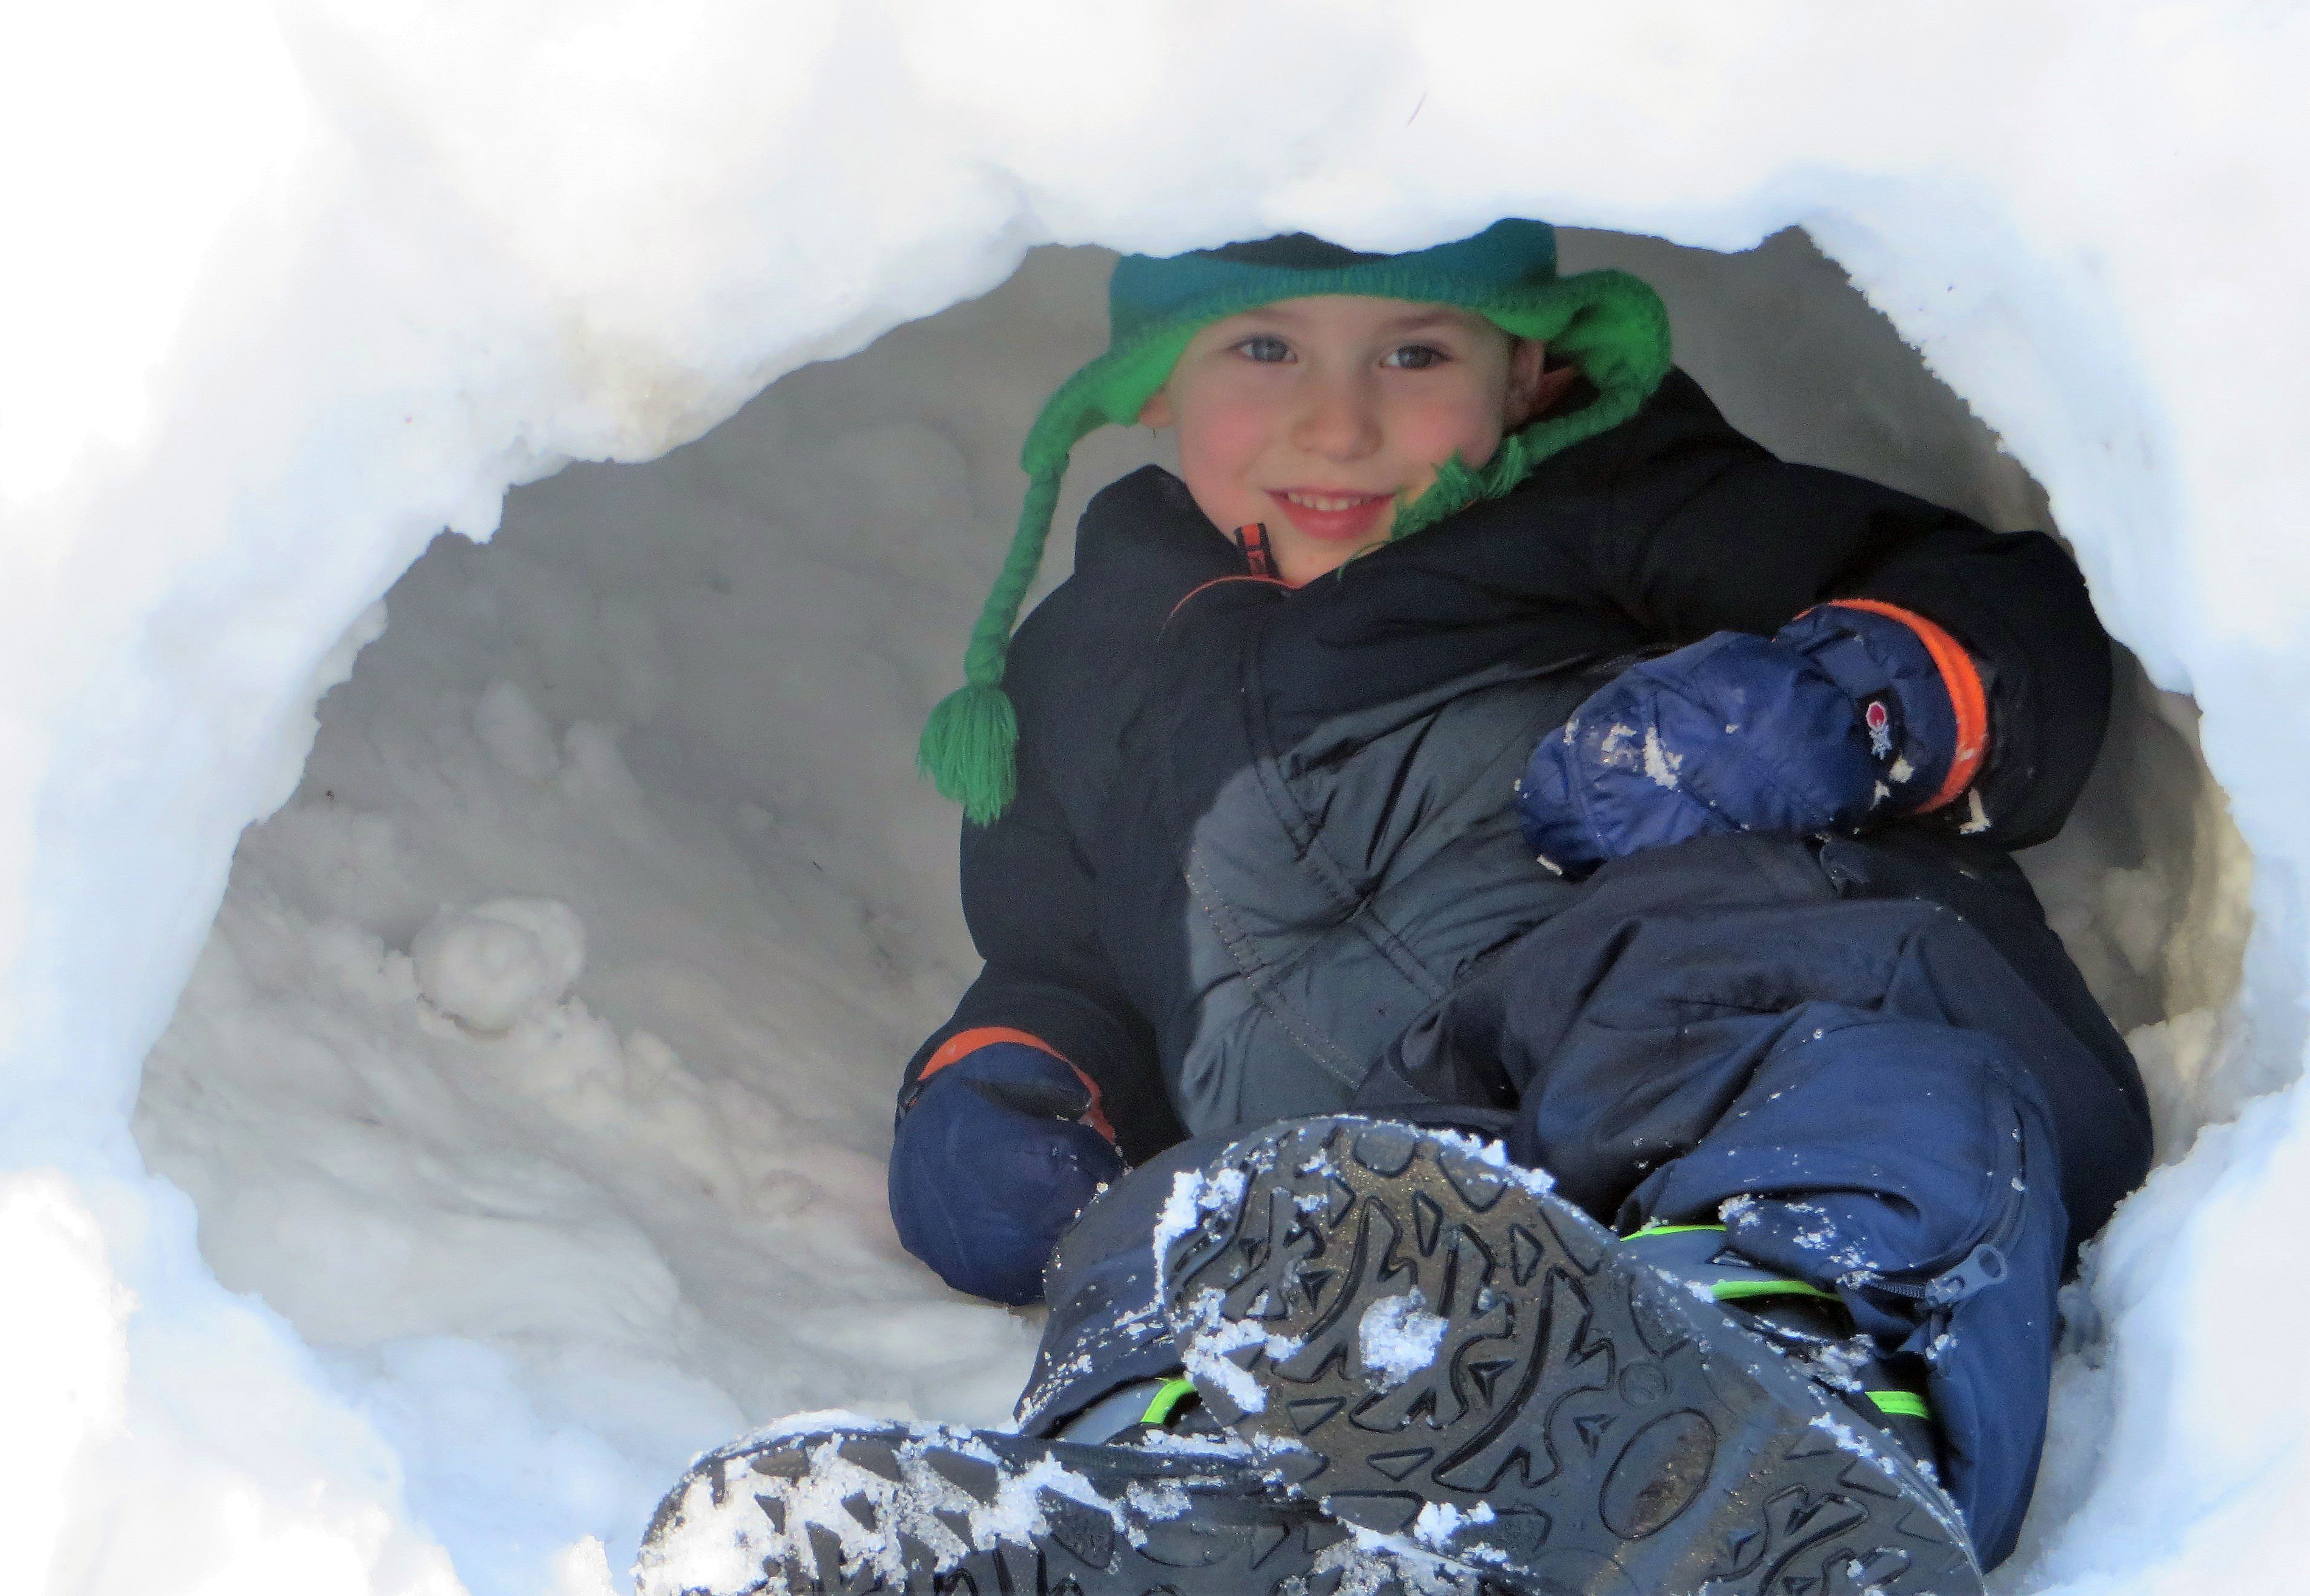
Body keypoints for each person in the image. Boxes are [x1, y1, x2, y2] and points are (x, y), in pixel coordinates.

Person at [633, 222, 2152, 1596]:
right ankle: (1168, 1510)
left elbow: (1992, 603)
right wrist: (1011, 1081)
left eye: (1416, 355)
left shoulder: (1613, 498)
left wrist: (1835, 706)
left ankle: (1784, 1386)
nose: (1339, 422)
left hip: (1685, 981)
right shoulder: (1087, 665)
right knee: (1188, 1231)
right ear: (1152, 387)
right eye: (1264, 349)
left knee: (1847, 1059)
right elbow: (1067, 953)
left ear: (1529, 373)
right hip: (1381, 1172)